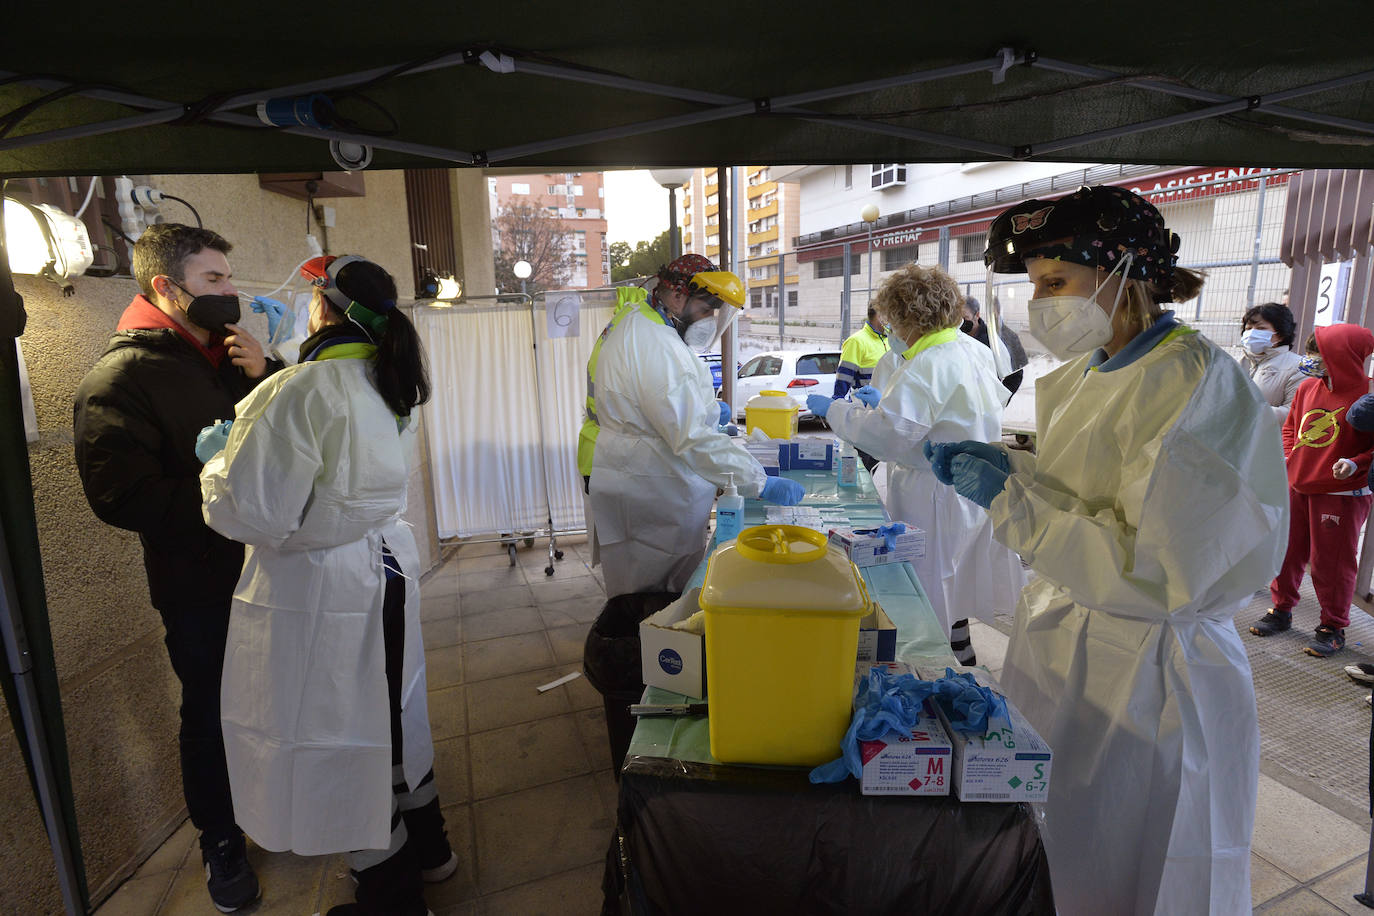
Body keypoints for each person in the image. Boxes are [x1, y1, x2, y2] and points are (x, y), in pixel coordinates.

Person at [927, 185, 1287, 914]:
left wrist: (1013, 502)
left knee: (1152, 865)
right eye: (1035, 285)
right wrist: (1015, 478)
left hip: (1151, 671)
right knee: (1067, 854)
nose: (1041, 304)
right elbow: (1088, 497)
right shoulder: (1086, 373)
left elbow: (1160, 572)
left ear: (1123, 268)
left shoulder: (1190, 382)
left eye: (1055, 282)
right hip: (1071, 643)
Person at [199, 256, 454, 916]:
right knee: (393, 714)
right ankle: (433, 853)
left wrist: (217, 466)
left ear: (322, 307)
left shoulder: (293, 393)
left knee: (337, 733)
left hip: (325, 590)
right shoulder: (390, 378)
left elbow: (253, 512)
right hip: (387, 568)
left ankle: (392, 900)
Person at [73, 223, 274, 912]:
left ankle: (268, 808)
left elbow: (271, 442)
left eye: (228, 277)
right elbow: (118, 494)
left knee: (265, 699)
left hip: (263, 568)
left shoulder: (219, 356)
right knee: (212, 711)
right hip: (197, 583)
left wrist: (266, 376)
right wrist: (229, 507)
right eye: (214, 280)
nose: (230, 292)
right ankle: (220, 840)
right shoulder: (119, 376)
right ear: (167, 286)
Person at [806, 264, 1024, 666]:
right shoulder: (970, 348)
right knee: (956, 578)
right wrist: (885, 406)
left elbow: (889, 437)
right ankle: (960, 649)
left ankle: (934, 666)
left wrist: (836, 411)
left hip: (933, 491)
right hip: (972, 486)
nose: (891, 330)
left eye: (894, 320)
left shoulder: (927, 364)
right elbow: (956, 411)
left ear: (910, 317)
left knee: (930, 584)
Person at [587, 253, 804, 597]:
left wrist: (704, 409)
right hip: (653, 489)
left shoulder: (638, 320)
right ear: (677, 296)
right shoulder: (660, 346)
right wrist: (758, 481)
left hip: (636, 474)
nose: (709, 320)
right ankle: (646, 649)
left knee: (636, 594)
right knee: (655, 600)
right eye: (705, 310)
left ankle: (639, 645)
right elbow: (692, 439)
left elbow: (663, 408)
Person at [1251, 325, 1374, 657]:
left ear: (1342, 356)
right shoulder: (1308, 387)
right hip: (1298, 483)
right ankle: (1281, 609)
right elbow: (1292, 425)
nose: (1311, 360)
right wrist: (1290, 455)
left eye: (1318, 353)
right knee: (1287, 550)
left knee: (1331, 563)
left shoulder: (1367, 396)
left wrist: (1355, 463)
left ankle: (1332, 626)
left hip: (1342, 494)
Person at [832, 306, 890, 473]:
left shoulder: (889, 341)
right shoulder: (857, 341)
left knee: (874, 463)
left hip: (884, 412)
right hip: (864, 414)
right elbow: (844, 376)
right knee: (861, 466)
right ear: (879, 315)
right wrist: (837, 406)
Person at [1238, 301, 1304, 422]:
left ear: (1280, 334)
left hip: (1270, 438)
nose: (1252, 333)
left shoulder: (1298, 367)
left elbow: (1294, 412)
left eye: (1261, 328)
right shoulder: (1240, 362)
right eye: (1248, 328)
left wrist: (1248, 411)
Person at [960, 296, 1028, 396]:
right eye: (958, 319)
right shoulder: (957, 337)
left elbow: (1015, 374)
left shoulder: (994, 340)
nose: (961, 323)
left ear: (977, 315)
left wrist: (998, 400)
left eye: (965, 318)